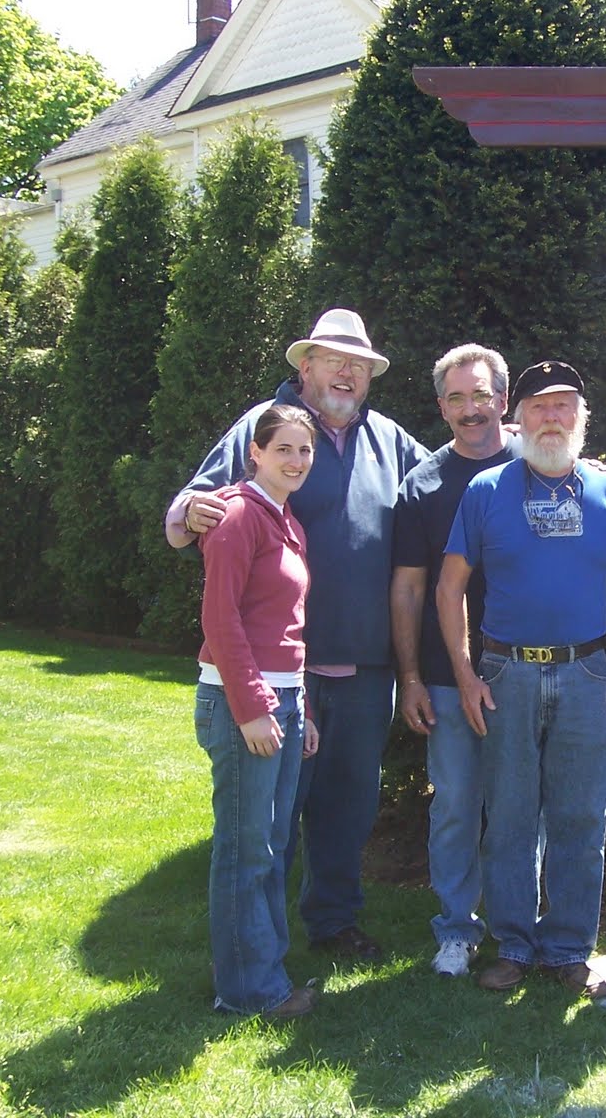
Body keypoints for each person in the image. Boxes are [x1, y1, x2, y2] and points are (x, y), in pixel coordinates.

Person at [167, 308, 425, 960]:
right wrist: (184, 513)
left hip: (368, 669)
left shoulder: (389, 440)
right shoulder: (269, 429)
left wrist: (503, 444)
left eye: (359, 364)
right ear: (303, 365)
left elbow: (447, 483)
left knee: (347, 812)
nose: (347, 372)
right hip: (285, 673)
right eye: (334, 359)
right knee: (271, 821)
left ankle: (334, 924)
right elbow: (193, 505)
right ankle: (258, 945)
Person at [436, 360, 606, 999]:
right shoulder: (486, 491)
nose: (551, 417)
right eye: (538, 406)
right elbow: (450, 589)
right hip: (506, 673)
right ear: (515, 418)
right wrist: (466, 675)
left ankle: (569, 948)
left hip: (586, 671)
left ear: (581, 418)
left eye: (564, 406)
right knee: (511, 817)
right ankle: (515, 947)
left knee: (582, 815)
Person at [390, 344, 515, 977]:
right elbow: (411, 587)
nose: (472, 409)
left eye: (482, 394)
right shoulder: (425, 484)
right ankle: (457, 930)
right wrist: (410, 675)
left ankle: (519, 926)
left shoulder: (540, 466)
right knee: (457, 804)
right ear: (442, 407)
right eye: (458, 398)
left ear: (503, 397)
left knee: (522, 806)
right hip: (444, 676)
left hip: (526, 670)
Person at [194, 404, 320, 1019]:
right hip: (241, 700)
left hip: (285, 699)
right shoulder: (239, 514)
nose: (296, 461)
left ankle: (264, 971)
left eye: (305, 452)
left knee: (271, 843)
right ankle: (247, 992)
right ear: (256, 454)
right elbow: (221, 619)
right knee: (245, 850)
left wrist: (301, 710)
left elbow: (286, 628)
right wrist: (252, 709)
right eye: (285, 450)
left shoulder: (286, 519)